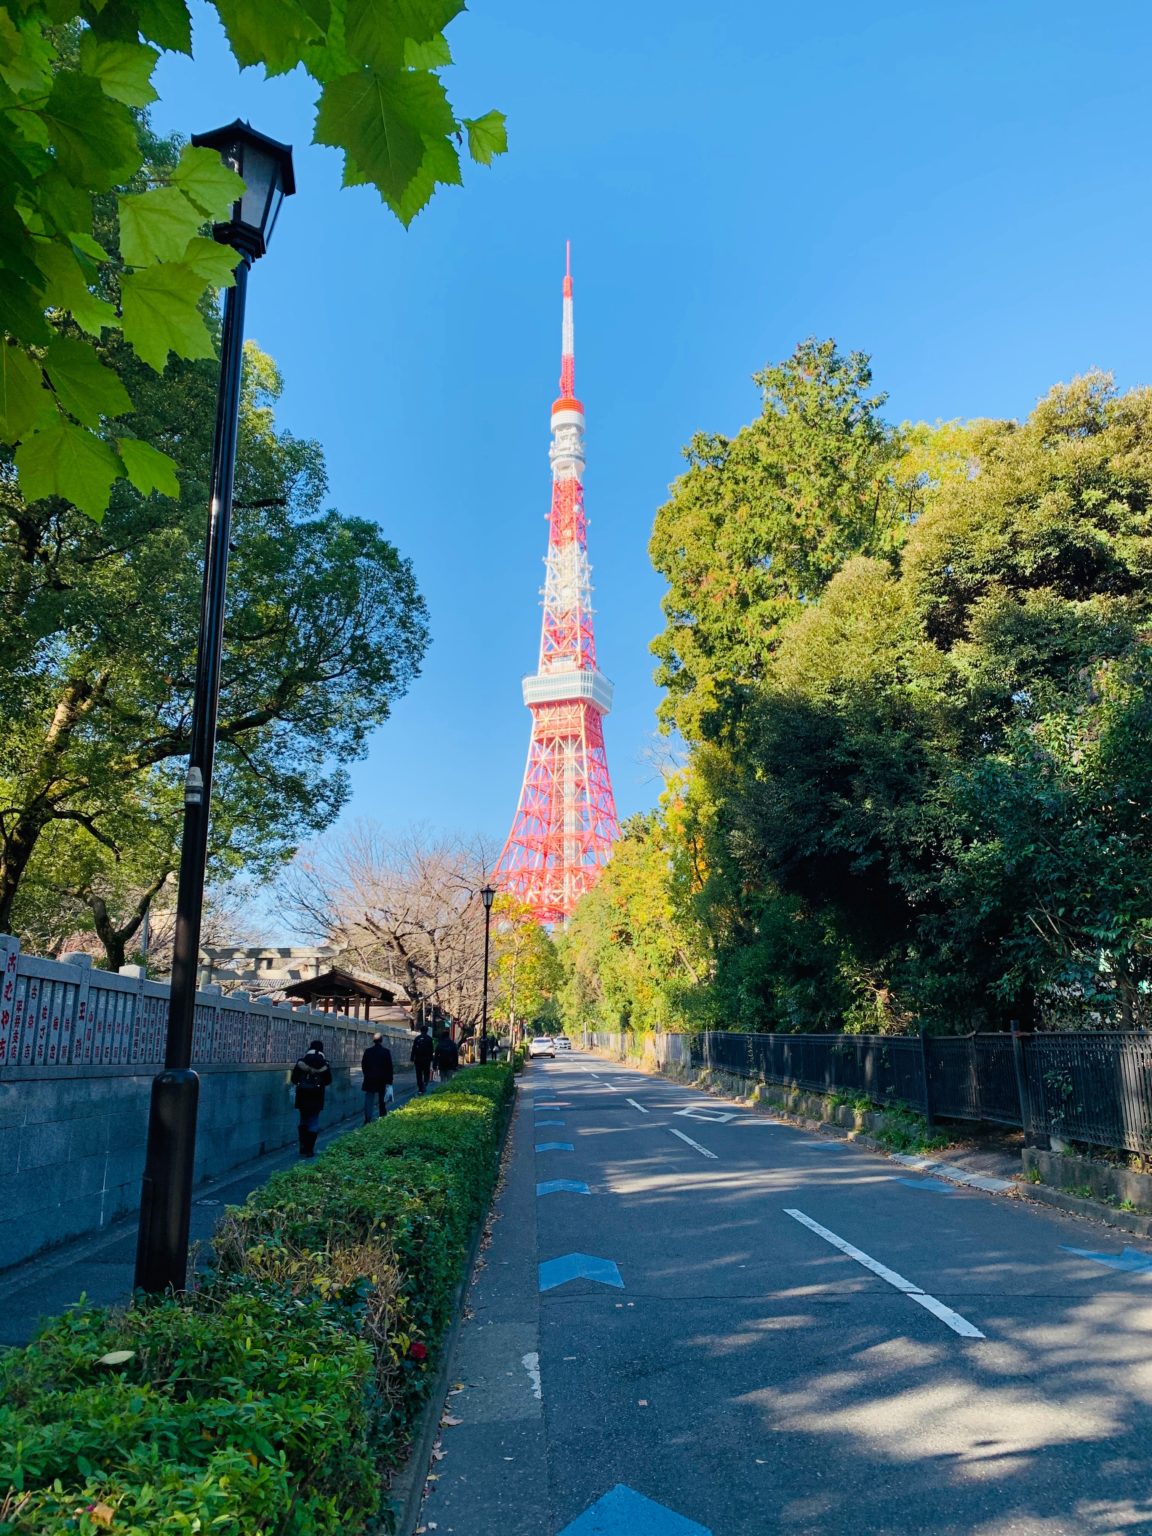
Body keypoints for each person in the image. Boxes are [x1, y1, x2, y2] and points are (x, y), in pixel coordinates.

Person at [291, 1038, 332, 1157]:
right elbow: (329, 1081)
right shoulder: (324, 1063)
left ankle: (302, 1146)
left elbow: (294, 1079)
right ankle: (310, 1149)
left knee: (303, 1119)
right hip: (317, 1095)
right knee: (313, 1120)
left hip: (302, 1095)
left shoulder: (301, 1061)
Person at [361, 1031, 395, 1122]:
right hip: (382, 1079)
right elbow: (389, 1067)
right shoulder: (386, 1052)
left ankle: (368, 1118)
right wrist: (390, 1081)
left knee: (369, 1098)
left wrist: (366, 1074)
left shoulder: (368, 1051)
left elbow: (363, 1065)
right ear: (381, 1040)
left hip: (369, 1078)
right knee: (382, 1098)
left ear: (373, 1040)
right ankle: (382, 1115)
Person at [410, 1023, 435, 1094]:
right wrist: (432, 1059)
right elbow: (431, 1050)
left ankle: (420, 1087)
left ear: (420, 1031)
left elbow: (413, 1049)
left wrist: (412, 1058)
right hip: (426, 1059)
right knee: (426, 1072)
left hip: (418, 1059)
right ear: (427, 1031)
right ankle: (425, 1083)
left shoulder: (417, 1038)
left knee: (419, 1074)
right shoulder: (429, 1039)